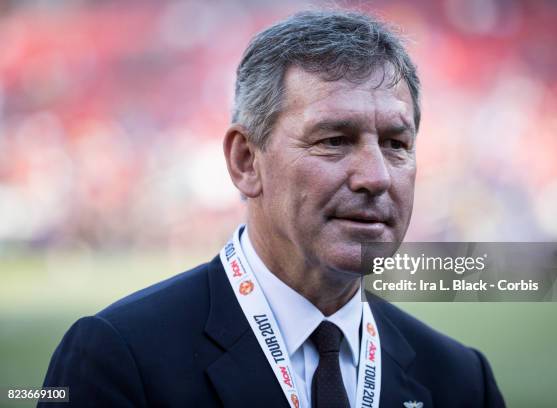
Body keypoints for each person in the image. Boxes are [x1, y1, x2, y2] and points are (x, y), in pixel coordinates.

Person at [41, 10, 505, 408]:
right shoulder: (119, 359)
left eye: (396, 144)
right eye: (334, 140)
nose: (377, 176)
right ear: (246, 161)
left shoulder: (460, 380)